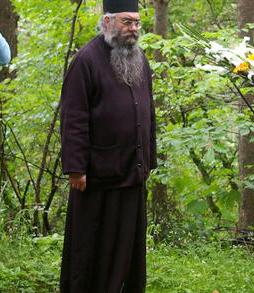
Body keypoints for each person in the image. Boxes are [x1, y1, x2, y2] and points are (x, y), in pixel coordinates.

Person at [59, 0, 157, 291]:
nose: (133, 29)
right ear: (107, 21)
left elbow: (147, 113)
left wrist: (148, 159)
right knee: (93, 251)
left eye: (137, 22)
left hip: (132, 171)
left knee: (128, 251)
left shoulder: (140, 59)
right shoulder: (86, 61)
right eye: (127, 21)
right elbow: (74, 117)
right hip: (97, 176)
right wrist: (76, 167)